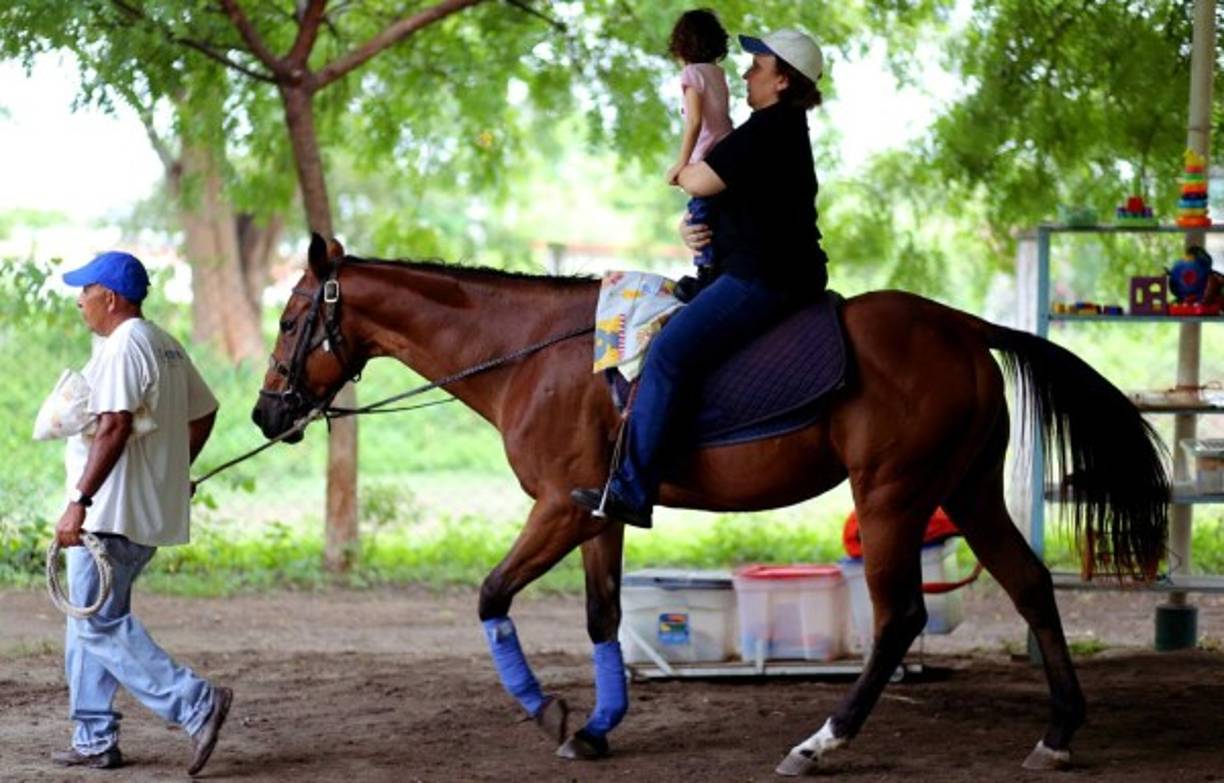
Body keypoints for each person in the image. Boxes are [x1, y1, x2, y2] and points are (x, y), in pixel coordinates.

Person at [573, 28, 829, 528]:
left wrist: (678, 170)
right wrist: (691, 228)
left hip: (764, 277)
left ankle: (632, 488)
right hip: (755, 268)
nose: (746, 72)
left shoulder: (769, 129)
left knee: (668, 352)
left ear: (782, 81)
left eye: (758, 66)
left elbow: (698, 178)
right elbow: (723, 199)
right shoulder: (771, 131)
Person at [51, 251, 231, 775]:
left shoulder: (124, 345)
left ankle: (196, 703)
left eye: (85, 292)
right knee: (86, 621)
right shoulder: (163, 344)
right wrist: (174, 470)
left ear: (110, 297)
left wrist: (78, 503)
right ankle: (93, 738)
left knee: (98, 625)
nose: (80, 301)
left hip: (109, 513)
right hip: (138, 511)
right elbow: (206, 411)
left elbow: (114, 427)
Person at [664, 9, 734, 294]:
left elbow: (693, 121)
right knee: (714, 216)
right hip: (726, 152)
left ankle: (705, 272)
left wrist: (680, 166)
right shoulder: (717, 73)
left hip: (706, 159)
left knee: (699, 216)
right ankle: (711, 269)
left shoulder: (691, 74)